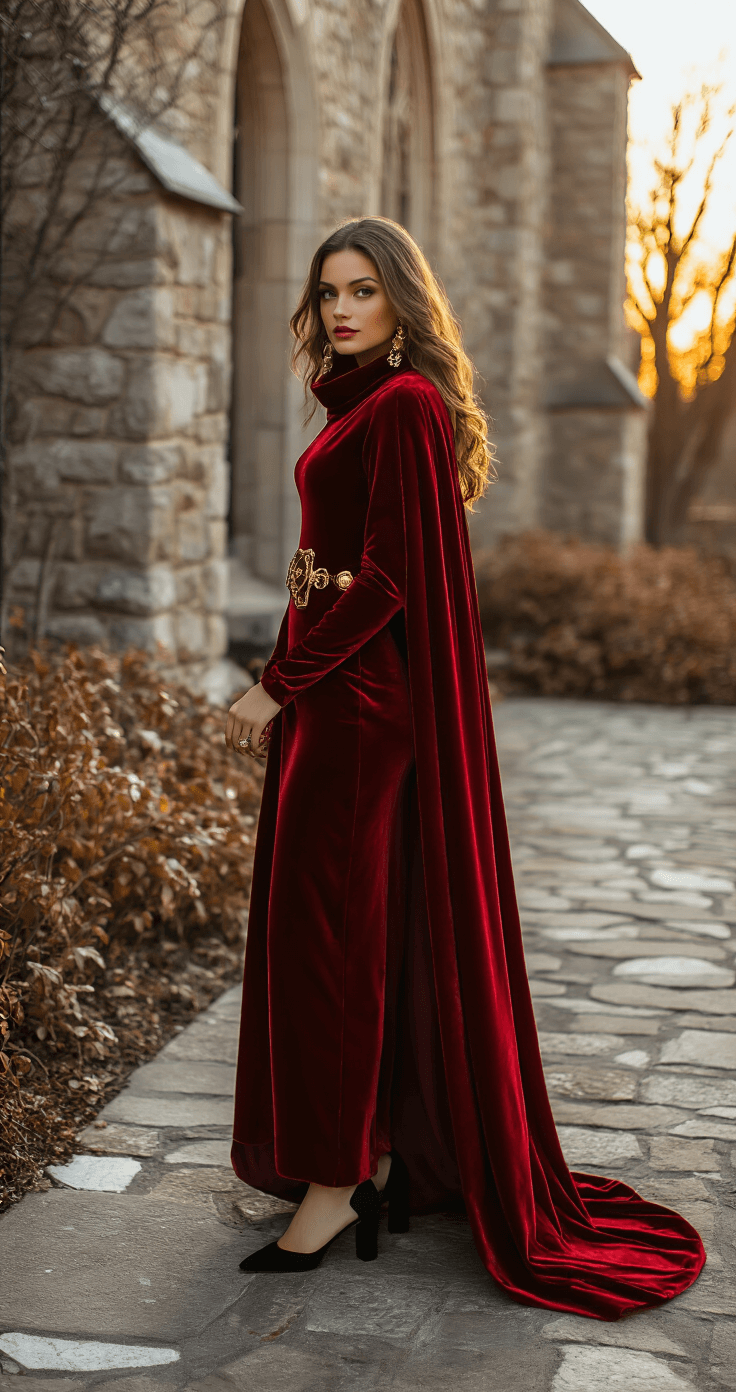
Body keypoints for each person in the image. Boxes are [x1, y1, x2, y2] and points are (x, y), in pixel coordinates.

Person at [225, 217, 705, 1318]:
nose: (342, 309)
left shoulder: (400, 405)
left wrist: (276, 684)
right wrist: (290, 671)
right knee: (347, 939)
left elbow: (385, 582)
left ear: (401, 301)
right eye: (328, 291)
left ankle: (336, 1184)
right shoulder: (361, 402)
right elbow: (340, 573)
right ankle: (375, 1158)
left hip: (354, 717)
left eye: (363, 291)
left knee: (333, 948)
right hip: (334, 703)